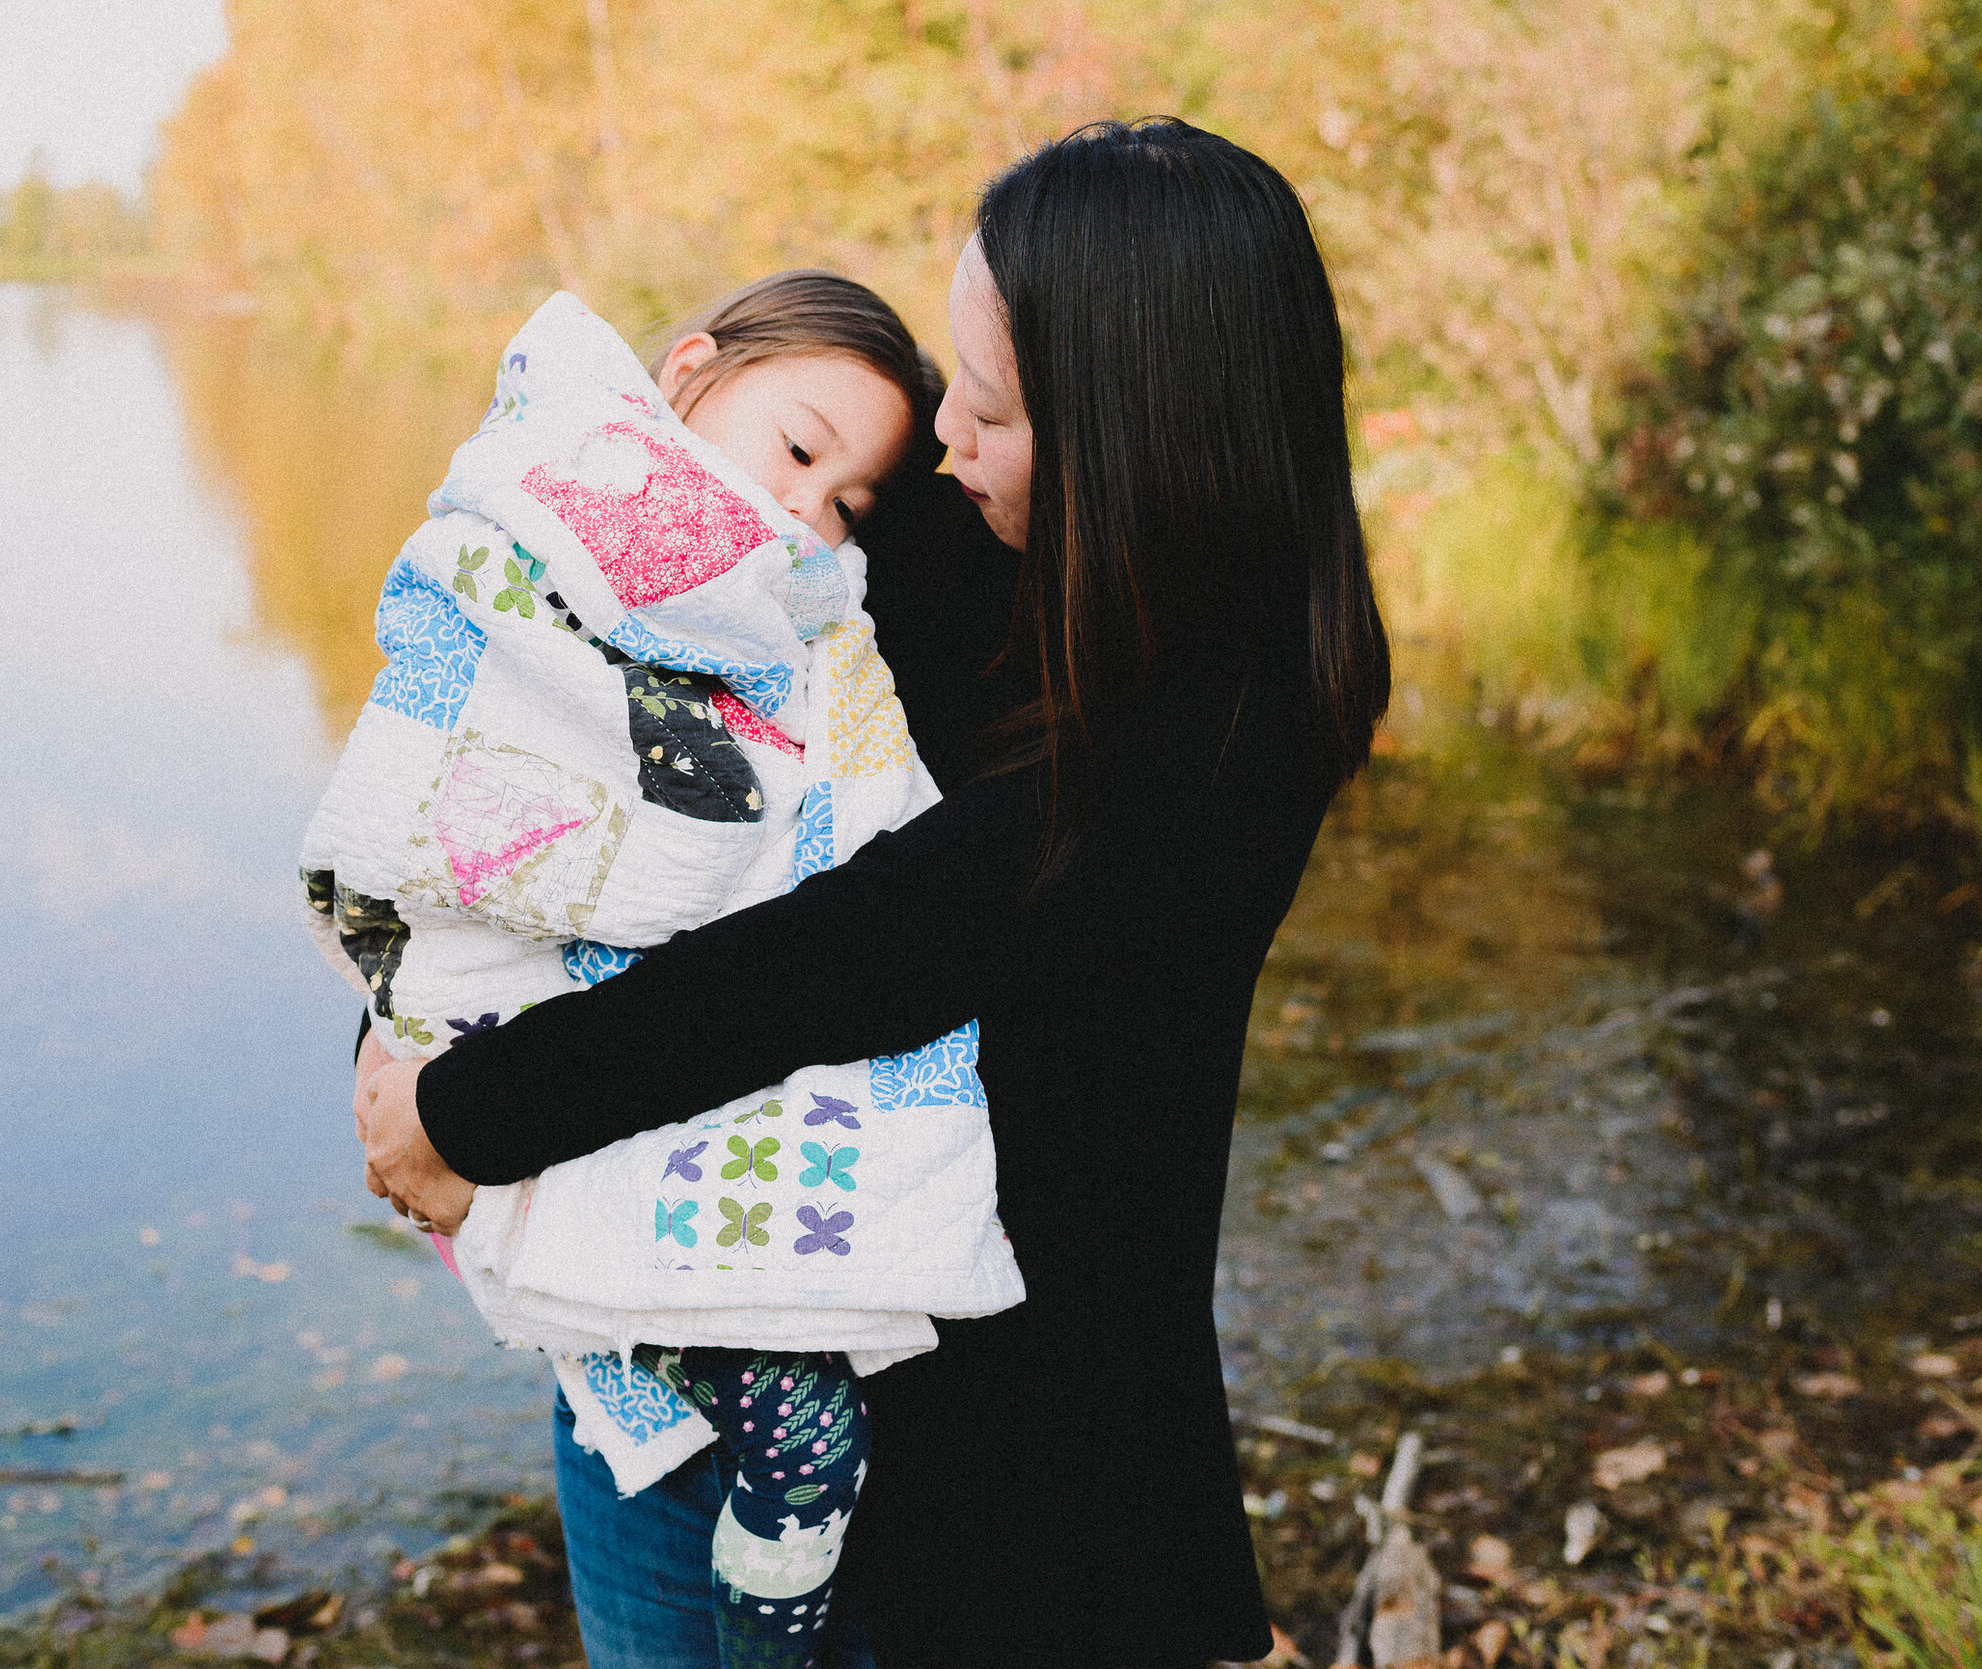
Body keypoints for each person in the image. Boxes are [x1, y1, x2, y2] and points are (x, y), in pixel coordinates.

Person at [360, 117, 1391, 1667]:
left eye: (986, 410)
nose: (944, 452)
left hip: (979, 1464)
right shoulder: (1005, 543)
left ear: (1138, 437)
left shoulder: (1226, 726)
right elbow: (673, 531)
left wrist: (472, 1112)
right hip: (706, 1308)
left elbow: (870, 947)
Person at [313, 270, 1022, 1668]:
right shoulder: (542, 528)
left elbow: (852, 894)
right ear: (688, 371)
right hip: (556, 1116)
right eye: (800, 452)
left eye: (848, 502)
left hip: (706, 1172)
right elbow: (452, 777)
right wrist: (408, 1036)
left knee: (784, 1443)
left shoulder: (839, 614)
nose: (809, 513)